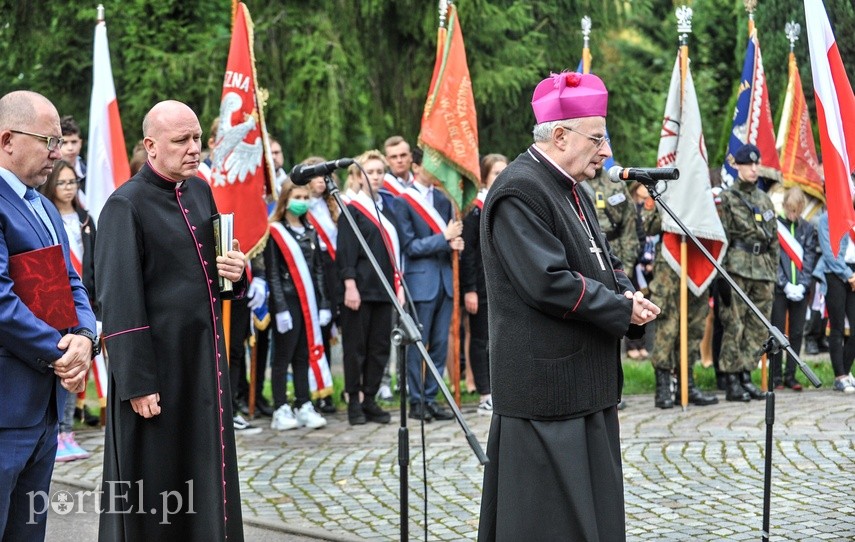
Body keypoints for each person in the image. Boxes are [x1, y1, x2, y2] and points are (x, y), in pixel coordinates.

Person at [477, 72, 659, 542]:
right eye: (597, 138)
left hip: (582, 386)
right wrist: (619, 311)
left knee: (590, 520)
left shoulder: (570, 186)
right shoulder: (520, 190)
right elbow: (549, 282)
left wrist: (625, 292)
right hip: (547, 393)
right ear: (560, 135)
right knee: (548, 526)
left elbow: (599, 258)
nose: (605, 150)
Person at [95, 100, 247, 540]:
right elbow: (117, 301)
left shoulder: (200, 191)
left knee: (205, 473)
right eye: (182, 140)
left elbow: (216, 271)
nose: (194, 148)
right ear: (151, 146)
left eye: (197, 137)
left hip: (202, 365)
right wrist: (138, 382)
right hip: (157, 374)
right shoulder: (125, 205)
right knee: (158, 486)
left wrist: (236, 273)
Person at [0, 90, 96, 541]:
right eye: (48, 140)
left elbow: (70, 282)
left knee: (28, 531)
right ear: (7, 140)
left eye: (60, 141)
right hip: (7, 406)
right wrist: (61, 352)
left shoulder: (41, 204)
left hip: (44, 408)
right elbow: (1, 303)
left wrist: (85, 336)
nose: (58, 153)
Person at [394, 148, 464, 422]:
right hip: (420, 282)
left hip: (444, 281)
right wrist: (444, 238)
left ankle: (431, 397)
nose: (436, 172)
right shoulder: (403, 201)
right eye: (431, 166)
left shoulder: (444, 201)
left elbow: (448, 240)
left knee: (438, 344)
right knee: (417, 345)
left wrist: (454, 244)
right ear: (417, 165)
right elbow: (409, 246)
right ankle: (415, 400)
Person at [38, 160, 99, 460]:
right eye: (62, 183)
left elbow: (90, 268)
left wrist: (91, 318)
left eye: (72, 182)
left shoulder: (86, 219)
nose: (68, 188)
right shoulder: (44, 212)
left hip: (82, 304)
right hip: (55, 307)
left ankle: (67, 431)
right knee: (63, 365)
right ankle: (59, 431)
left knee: (78, 369)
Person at [337, 150, 402, 425]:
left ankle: (371, 397)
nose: (375, 177)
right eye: (370, 172)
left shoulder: (386, 209)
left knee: (379, 348)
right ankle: (354, 401)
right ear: (358, 177)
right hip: (359, 290)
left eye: (379, 172)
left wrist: (398, 285)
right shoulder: (351, 209)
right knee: (356, 348)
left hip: (384, 289)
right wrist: (349, 285)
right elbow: (346, 251)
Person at [265, 180, 332, 431]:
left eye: (306, 197)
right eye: (298, 197)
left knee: (304, 354)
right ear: (285, 199)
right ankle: (280, 407)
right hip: (287, 301)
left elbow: (319, 272)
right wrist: (280, 308)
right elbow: (272, 273)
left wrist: (324, 303)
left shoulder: (310, 231)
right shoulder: (275, 231)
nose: (302, 201)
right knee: (283, 355)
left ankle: (304, 403)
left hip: (310, 302)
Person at [718, 143, 778, 402]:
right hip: (738, 267)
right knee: (735, 324)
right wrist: (723, 274)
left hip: (763, 269)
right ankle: (731, 379)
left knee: (758, 327)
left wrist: (773, 269)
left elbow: (773, 238)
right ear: (737, 166)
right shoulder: (728, 198)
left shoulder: (764, 199)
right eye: (748, 164)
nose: (754, 169)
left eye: (756, 164)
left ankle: (747, 375)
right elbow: (723, 237)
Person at [461, 153, 506, 415]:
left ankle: (500, 389)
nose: (501, 177)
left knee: (500, 340)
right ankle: (485, 394)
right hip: (480, 287)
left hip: (503, 286)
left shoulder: (504, 203)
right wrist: (469, 289)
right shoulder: (475, 210)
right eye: (496, 174)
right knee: (481, 341)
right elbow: (468, 254)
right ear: (485, 177)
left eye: (505, 171)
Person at [303, 156, 340, 414]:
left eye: (322, 176)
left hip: (333, 269)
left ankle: (326, 390)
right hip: (311, 269)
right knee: (311, 330)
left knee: (327, 331)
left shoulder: (335, 205)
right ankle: (310, 391)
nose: (319, 181)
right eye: (313, 176)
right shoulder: (302, 206)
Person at [770, 187, 817, 390]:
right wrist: (784, 283)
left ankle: (791, 375)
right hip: (781, 289)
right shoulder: (776, 227)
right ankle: (775, 377)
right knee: (777, 333)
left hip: (800, 290)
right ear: (784, 206)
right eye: (789, 210)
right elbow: (774, 259)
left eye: (796, 211)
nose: (792, 215)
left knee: (797, 332)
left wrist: (803, 284)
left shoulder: (807, 228)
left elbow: (809, 258)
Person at [813, 206, 855, 393]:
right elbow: (830, 252)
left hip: (854, 271)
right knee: (837, 326)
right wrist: (848, 275)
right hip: (834, 273)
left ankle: (845, 372)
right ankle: (840, 376)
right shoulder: (826, 218)